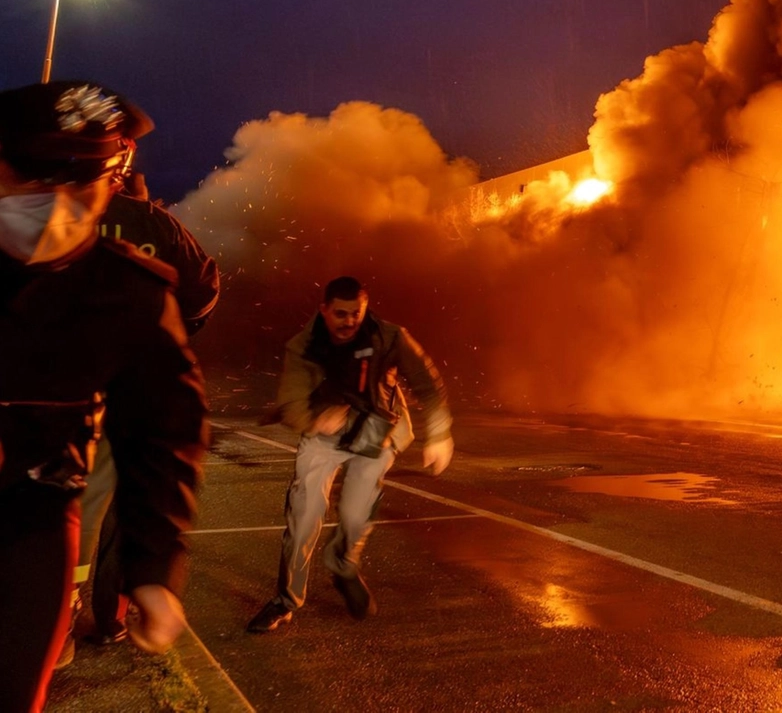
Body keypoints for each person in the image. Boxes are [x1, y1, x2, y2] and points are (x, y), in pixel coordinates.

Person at [0, 80, 209, 711]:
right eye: (35, 177)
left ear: (113, 180)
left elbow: (162, 433)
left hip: (29, 518)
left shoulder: (131, 294)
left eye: (81, 179)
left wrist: (154, 573)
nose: (55, 201)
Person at [64, 169, 220, 659]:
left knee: (72, 498)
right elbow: (203, 289)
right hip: (124, 384)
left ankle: (62, 610)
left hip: (60, 385)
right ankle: (108, 614)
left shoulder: (47, 209)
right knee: (127, 498)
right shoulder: (156, 225)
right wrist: (164, 332)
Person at [247, 276, 453, 633]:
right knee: (304, 515)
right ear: (324, 310)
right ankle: (286, 600)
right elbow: (292, 401)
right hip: (323, 436)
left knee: (356, 515)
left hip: (377, 434)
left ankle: (342, 563)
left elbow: (427, 383)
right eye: (340, 314)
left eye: (355, 314)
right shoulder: (304, 345)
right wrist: (315, 418)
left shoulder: (391, 337)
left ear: (364, 309)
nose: (348, 322)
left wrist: (439, 433)